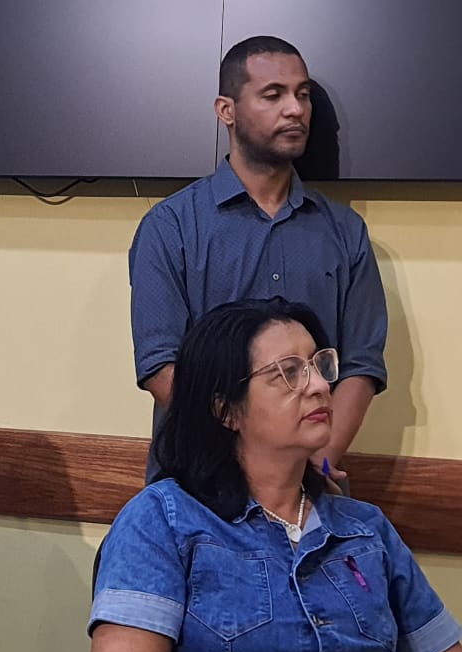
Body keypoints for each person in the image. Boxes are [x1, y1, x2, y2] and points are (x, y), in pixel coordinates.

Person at [89, 299, 462, 652]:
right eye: (288, 373)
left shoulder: (364, 530)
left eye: (319, 365)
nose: (319, 386)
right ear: (225, 410)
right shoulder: (164, 519)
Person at [130, 35, 387, 482]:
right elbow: (160, 364)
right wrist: (250, 462)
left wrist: (320, 463)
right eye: (273, 95)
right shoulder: (170, 227)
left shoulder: (345, 232)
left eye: (302, 95)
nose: (295, 109)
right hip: (198, 488)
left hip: (308, 488)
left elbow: (361, 364)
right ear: (226, 110)